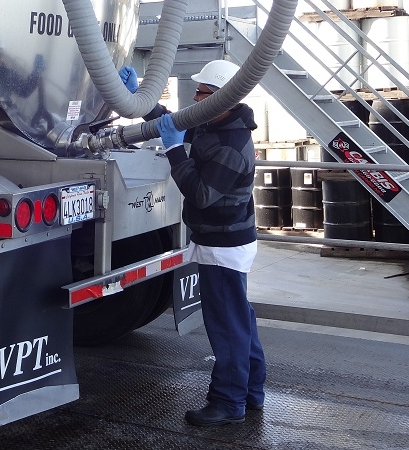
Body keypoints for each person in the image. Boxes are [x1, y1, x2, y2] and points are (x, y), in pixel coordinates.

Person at [119, 61, 266, 426]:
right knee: (239, 320)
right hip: (223, 240)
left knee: (227, 326)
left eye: (201, 93)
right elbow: (173, 120)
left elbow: (202, 194)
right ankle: (251, 392)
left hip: (224, 246)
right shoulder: (215, 121)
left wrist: (174, 152)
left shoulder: (231, 143)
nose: (195, 98)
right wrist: (140, 96)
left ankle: (228, 403)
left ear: (223, 98)